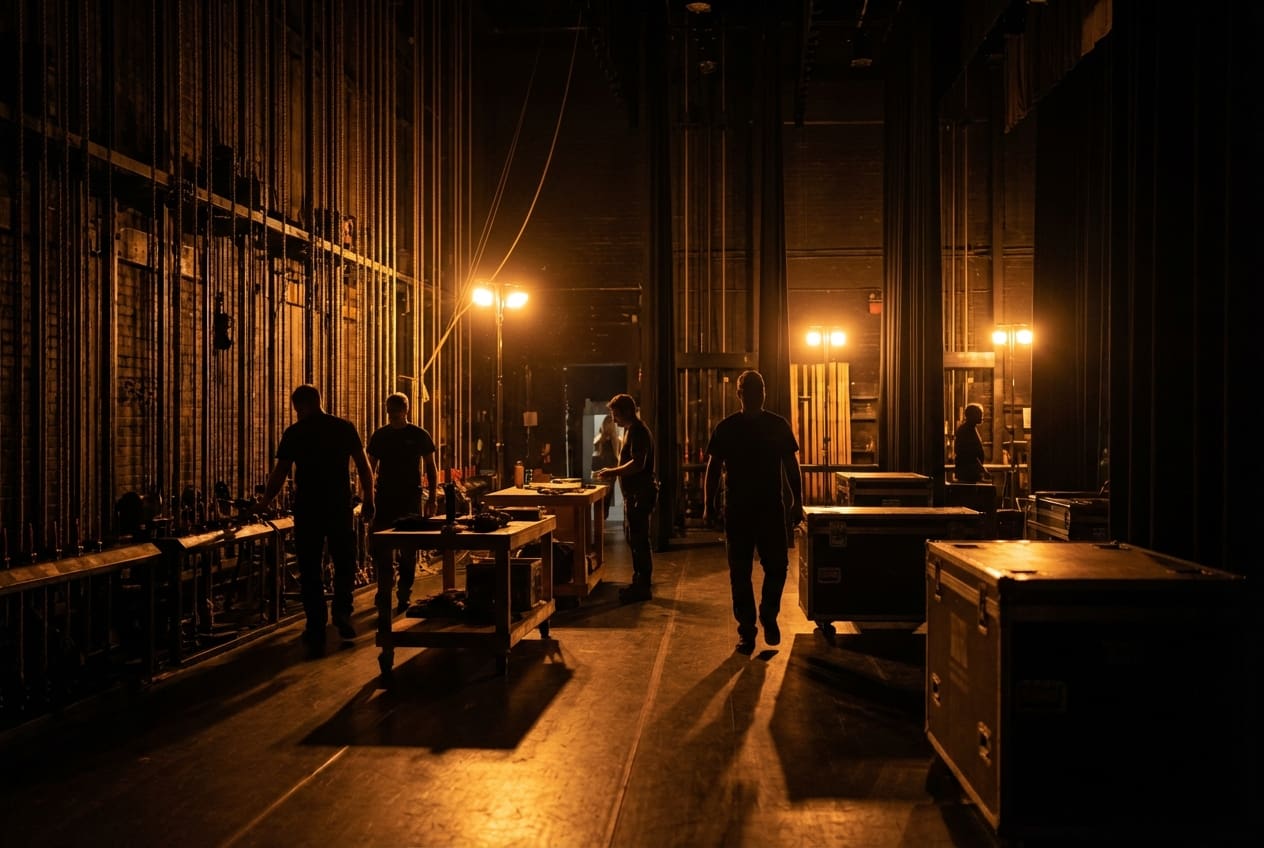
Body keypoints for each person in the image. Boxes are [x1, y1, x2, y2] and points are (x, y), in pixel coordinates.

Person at [261, 384, 375, 657]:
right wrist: (369, 497)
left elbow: (280, 473)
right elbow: (363, 465)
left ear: (301, 406)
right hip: (338, 505)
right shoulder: (344, 427)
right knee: (344, 560)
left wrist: (264, 502)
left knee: (309, 566)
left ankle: (316, 623)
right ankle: (342, 613)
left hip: (308, 508)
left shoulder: (295, 433)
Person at [703, 370, 803, 655]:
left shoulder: (728, 427)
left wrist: (709, 503)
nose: (754, 396)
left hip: (743, 509)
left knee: (743, 572)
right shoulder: (776, 425)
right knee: (768, 567)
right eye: (752, 392)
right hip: (763, 508)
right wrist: (796, 501)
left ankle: (751, 628)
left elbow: (713, 469)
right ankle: (761, 619)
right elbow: (791, 466)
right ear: (757, 394)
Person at [366, 392, 438, 613]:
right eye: (390, 411)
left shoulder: (419, 435)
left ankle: (404, 591)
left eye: (396, 411)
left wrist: (432, 498)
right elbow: (369, 469)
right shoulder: (380, 437)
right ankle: (384, 588)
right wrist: (368, 498)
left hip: (409, 498)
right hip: (386, 498)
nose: (393, 415)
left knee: (408, 548)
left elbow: (431, 468)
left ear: (405, 411)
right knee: (382, 548)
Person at [595, 394, 657, 603]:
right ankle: (639, 582)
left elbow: (638, 464)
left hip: (640, 495)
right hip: (635, 495)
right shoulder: (632, 431)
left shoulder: (638, 432)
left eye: (616, 414)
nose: (614, 419)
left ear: (627, 412)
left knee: (639, 540)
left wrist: (612, 472)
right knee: (636, 540)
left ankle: (642, 586)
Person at [590, 414, 620, 520]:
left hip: (606, 467)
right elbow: (615, 455)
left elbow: (615, 455)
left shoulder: (604, 438)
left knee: (604, 496)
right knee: (604, 496)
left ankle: (602, 518)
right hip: (605, 467)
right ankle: (602, 518)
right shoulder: (608, 438)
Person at [954, 402, 990, 484]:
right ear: (972, 416)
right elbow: (970, 454)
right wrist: (982, 469)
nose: (982, 417)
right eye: (979, 414)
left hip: (970, 472)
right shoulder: (967, 430)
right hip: (967, 473)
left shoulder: (970, 429)